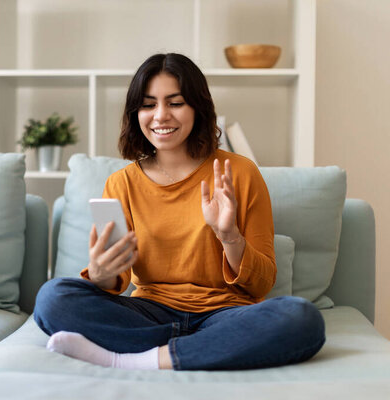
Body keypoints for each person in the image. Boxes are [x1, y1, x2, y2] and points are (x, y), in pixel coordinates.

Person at [33, 53, 325, 371]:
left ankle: (134, 359)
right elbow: (116, 281)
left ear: (198, 107)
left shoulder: (239, 173)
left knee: (301, 318)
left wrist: (230, 237)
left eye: (175, 103)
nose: (161, 116)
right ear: (136, 113)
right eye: (148, 104)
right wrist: (101, 275)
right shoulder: (122, 183)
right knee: (51, 298)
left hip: (225, 316)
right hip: (148, 314)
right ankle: (195, 352)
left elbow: (262, 284)